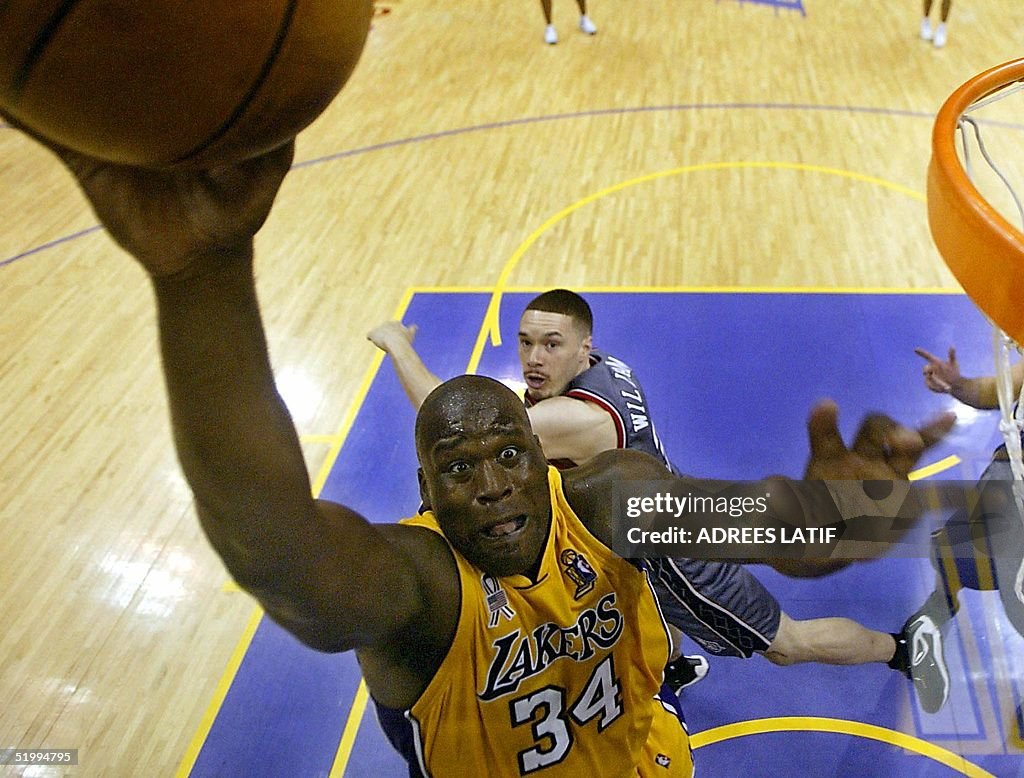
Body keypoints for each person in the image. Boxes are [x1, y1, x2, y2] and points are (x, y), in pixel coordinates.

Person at [12, 122, 953, 774]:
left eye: (510, 454)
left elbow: (786, 531)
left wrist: (839, 511)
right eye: (460, 469)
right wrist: (198, 271)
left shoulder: (608, 499)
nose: (497, 483)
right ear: (425, 490)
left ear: (544, 455)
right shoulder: (414, 588)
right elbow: (274, 549)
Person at [368, 290, 953, 713]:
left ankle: (901, 647)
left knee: (787, 644)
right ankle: (667, 659)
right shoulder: (609, 368)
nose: (533, 359)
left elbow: (449, 417)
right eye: (525, 343)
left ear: (582, 348)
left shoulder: (570, 419)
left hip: (668, 546)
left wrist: (397, 346)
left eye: (551, 344)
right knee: (615, 590)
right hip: (654, 505)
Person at [902, 346, 1024, 712]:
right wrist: (957, 385)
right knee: (952, 552)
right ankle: (934, 619)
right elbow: (997, 391)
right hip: (1013, 473)